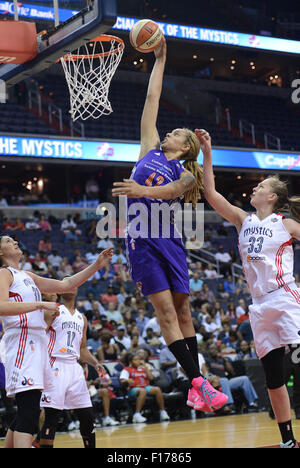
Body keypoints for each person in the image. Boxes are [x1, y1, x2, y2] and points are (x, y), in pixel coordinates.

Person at [112, 38, 227, 413]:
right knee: (164, 313)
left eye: (176, 132)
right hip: (142, 240)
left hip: (171, 241)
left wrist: (139, 189)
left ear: (187, 146)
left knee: (184, 313)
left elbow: (174, 190)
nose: (169, 132)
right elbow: (152, 100)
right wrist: (160, 58)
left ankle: (196, 385)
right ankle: (199, 382)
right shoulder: (149, 149)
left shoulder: (187, 174)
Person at [200, 125, 300, 448]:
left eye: (260, 186)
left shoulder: (283, 223)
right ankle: (287, 440)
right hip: (258, 306)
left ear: (272, 197)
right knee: (273, 377)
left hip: (284, 298)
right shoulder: (243, 219)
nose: (254, 189)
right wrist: (207, 152)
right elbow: (210, 194)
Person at [0, 235, 113, 449]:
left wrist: (96, 265)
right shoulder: (4, 274)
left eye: (14, 240)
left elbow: (66, 283)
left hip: (38, 343)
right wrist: (39, 305)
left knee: (30, 408)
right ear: (0, 252)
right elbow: (1, 306)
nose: (14, 242)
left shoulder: (27, 275)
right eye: (7, 241)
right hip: (23, 340)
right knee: (30, 412)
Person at [39, 283, 106, 448]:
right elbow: (39, 336)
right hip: (55, 363)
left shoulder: (81, 318)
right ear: (60, 289)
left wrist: (96, 363)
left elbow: (82, 349)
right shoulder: (53, 310)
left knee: (87, 415)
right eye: (66, 283)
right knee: (51, 415)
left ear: (77, 290)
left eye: (73, 283)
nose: (70, 285)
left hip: (74, 367)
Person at [119, 353, 170, 423]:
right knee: (143, 391)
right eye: (135, 360)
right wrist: (127, 380)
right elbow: (122, 380)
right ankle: (137, 414)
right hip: (133, 389)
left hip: (145, 387)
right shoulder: (127, 369)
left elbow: (151, 378)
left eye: (139, 359)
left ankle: (162, 412)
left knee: (157, 389)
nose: (138, 361)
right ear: (130, 362)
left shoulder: (143, 369)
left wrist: (145, 367)